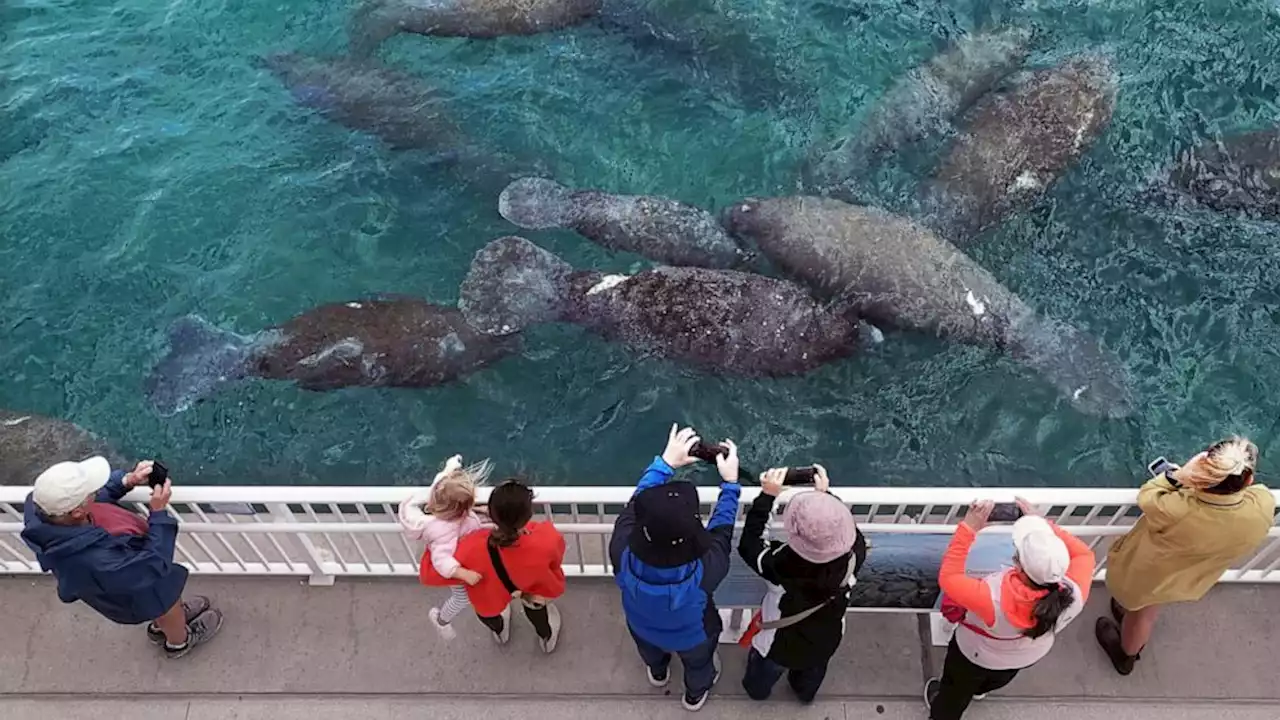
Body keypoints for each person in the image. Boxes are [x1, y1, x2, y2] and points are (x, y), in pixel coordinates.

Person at [1095, 437, 1275, 675]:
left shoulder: (1176, 509)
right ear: (1249, 480)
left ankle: (1126, 655)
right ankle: (1128, 615)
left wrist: (1178, 476)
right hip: (1192, 577)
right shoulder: (1262, 505)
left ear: (1203, 469)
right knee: (1146, 606)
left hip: (1153, 576)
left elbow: (1148, 495)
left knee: (1141, 615)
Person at [20, 456, 223, 659]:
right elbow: (152, 566)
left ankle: (160, 626)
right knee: (167, 603)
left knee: (165, 607)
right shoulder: (97, 560)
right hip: (136, 589)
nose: (95, 493)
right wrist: (158, 513)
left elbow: (94, 502)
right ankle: (179, 642)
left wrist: (126, 481)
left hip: (120, 581)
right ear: (78, 512)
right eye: (91, 492)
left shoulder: (43, 508)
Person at [610, 425, 742, 712]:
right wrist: (730, 485)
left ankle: (658, 673)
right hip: (693, 636)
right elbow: (722, 529)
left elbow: (635, 504)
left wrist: (665, 463)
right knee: (699, 664)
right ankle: (694, 695)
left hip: (641, 624)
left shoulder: (621, 549)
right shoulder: (707, 567)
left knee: (650, 651)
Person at [924, 498, 1094, 720]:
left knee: (953, 694)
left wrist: (968, 528)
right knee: (998, 677)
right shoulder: (1075, 593)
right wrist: (1041, 524)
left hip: (975, 655)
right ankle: (980, 690)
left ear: (1018, 564)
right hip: (1026, 655)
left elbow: (949, 578)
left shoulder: (992, 600)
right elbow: (1084, 555)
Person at [737, 465, 865, 704]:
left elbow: (750, 543)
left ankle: (757, 692)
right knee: (813, 670)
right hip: (826, 639)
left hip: (779, 645)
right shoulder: (854, 553)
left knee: (762, 674)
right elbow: (839, 528)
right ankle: (805, 695)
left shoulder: (781, 566)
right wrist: (824, 498)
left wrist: (767, 496)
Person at [422, 477, 565, 651]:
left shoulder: (468, 546)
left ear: (491, 512)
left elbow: (436, 570)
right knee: (536, 609)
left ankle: (499, 630)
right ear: (527, 515)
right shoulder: (546, 539)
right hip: (529, 589)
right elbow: (555, 559)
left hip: (491, 593)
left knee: (488, 610)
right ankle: (546, 637)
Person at [399, 454, 491, 640]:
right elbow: (441, 560)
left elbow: (444, 476)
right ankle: (442, 620)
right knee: (462, 598)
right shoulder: (444, 531)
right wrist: (463, 574)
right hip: (458, 567)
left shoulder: (442, 489)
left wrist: (453, 465)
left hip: (465, 554)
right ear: (461, 511)